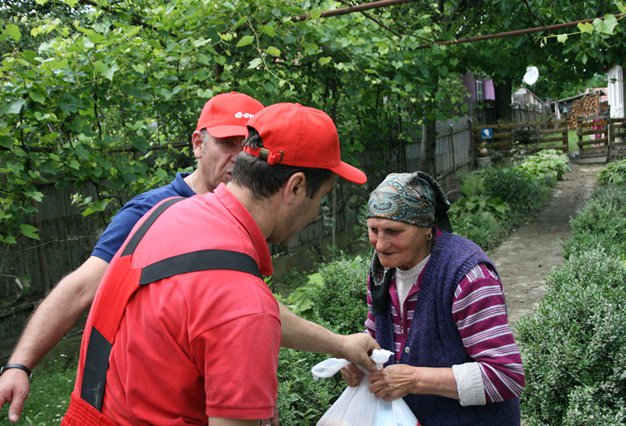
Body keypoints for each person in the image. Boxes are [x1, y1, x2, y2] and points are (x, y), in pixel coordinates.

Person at [0, 93, 377, 423]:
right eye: (321, 198)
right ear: (295, 187)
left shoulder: (163, 214)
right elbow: (240, 312)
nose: (315, 214)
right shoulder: (242, 303)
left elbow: (220, 311)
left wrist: (340, 344)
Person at [341, 171, 525, 425]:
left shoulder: (469, 277)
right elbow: (378, 337)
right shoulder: (382, 271)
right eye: (374, 230)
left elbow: (506, 376)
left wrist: (415, 379)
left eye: (394, 231)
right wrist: (361, 364)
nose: (380, 245)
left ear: (427, 228)